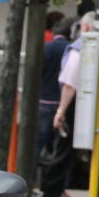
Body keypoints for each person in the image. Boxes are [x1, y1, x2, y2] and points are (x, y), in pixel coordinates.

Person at [32, 11, 99, 197]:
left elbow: (70, 83)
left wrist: (61, 110)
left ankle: (49, 194)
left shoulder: (79, 48)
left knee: (65, 148)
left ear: (84, 28)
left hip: (82, 100)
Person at [36, 16, 74, 183]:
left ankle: (30, 180)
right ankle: (61, 184)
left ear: (52, 33)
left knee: (37, 145)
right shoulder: (72, 50)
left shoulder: (45, 48)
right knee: (61, 149)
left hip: (44, 103)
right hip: (63, 104)